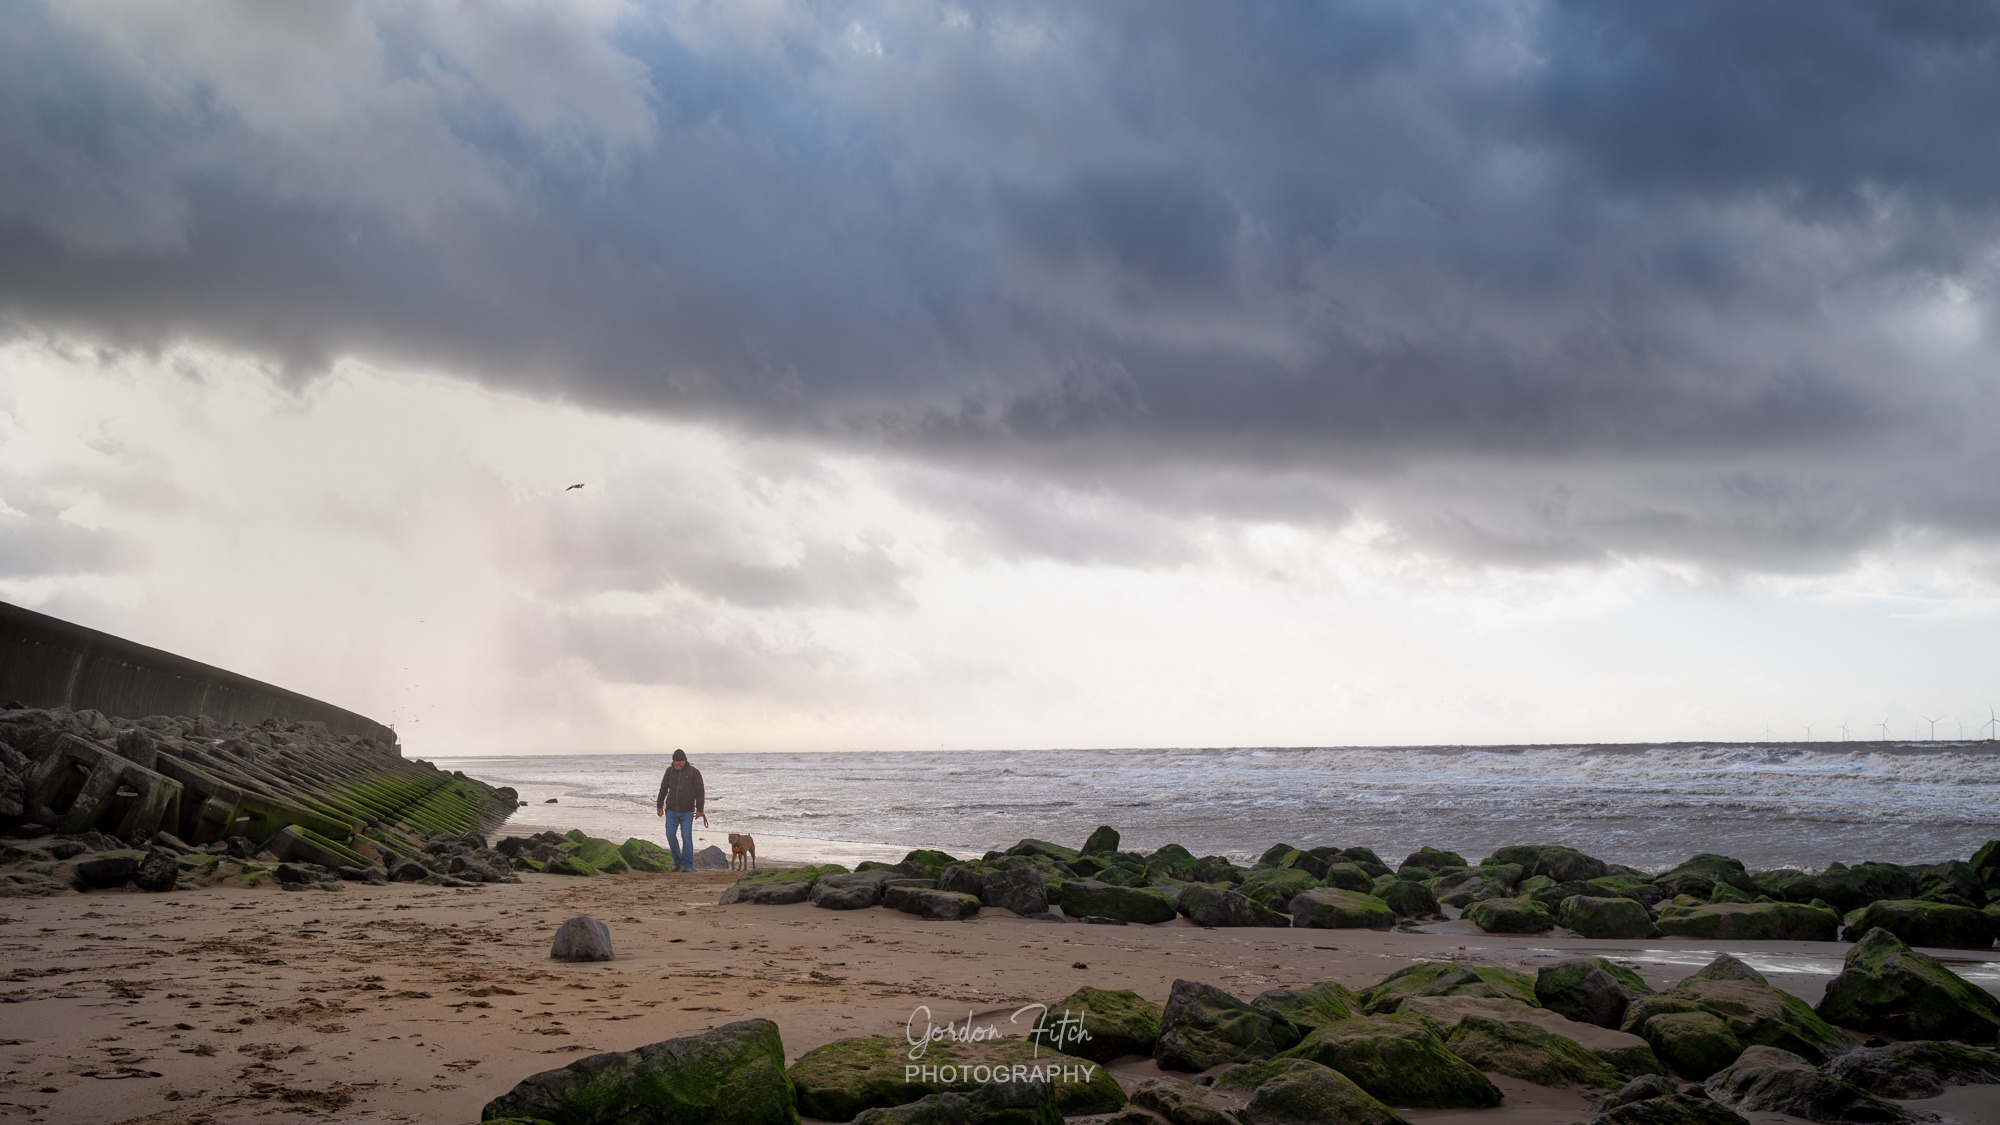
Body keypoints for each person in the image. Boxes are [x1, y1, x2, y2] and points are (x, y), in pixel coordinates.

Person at [654, 748, 706, 872]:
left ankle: (688, 865)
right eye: (675, 761)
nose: (677, 763)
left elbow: (700, 792)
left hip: (687, 811)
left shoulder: (694, 772)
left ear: (685, 761)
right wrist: (659, 806)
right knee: (670, 834)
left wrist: (700, 809)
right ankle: (677, 862)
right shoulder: (669, 771)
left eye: (680, 761)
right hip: (671, 810)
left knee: (686, 837)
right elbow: (663, 789)